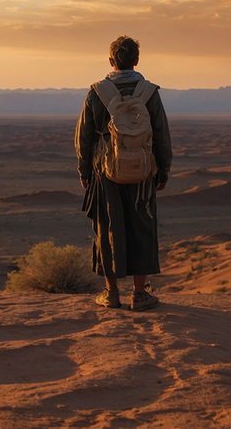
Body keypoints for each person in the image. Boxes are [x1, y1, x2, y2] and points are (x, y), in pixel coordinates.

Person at [75, 35, 172, 311]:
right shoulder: (150, 92)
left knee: (109, 228)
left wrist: (84, 170)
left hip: (105, 173)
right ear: (136, 61)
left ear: (110, 61)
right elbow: (163, 136)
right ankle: (140, 296)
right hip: (143, 172)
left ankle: (111, 293)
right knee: (141, 226)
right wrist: (163, 171)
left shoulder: (97, 92)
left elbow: (83, 136)